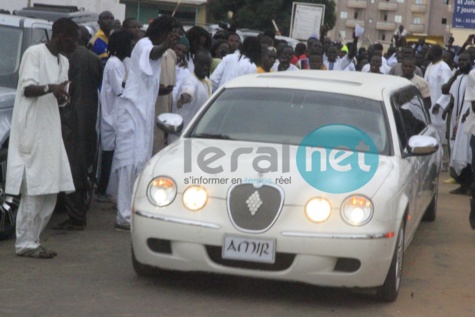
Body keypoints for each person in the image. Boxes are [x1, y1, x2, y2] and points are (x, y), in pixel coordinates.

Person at [6, 18, 78, 258]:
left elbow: (58, 94)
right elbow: (28, 89)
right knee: (34, 188)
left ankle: (33, 240)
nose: (76, 44)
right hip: (32, 129)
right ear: (60, 35)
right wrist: (51, 88)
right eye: (73, 39)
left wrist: (61, 96)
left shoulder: (64, 61)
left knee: (50, 189)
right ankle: (25, 243)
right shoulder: (34, 53)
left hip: (50, 129)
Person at [110, 15, 181, 231]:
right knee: (128, 164)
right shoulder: (145, 44)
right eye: (170, 33)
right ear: (162, 31)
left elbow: (146, 77)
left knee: (140, 163)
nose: (172, 38)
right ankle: (123, 216)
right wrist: (166, 45)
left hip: (142, 115)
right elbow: (153, 53)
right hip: (131, 113)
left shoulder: (155, 49)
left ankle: (132, 211)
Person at [51, 25, 103, 230]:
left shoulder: (66, 59)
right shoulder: (94, 59)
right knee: (81, 168)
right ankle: (76, 212)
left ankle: (76, 217)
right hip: (89, 118)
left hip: (71, 119)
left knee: (72, 168)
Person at [96, 30, 133, 203]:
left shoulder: (116, 62)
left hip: (112, 115)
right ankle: (103, 190)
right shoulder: (115, 64)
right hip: (111, 117)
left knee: (110, 153)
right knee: (109, 155)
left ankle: (105, 189)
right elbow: (121, 90)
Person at [424, 44, 452, 171]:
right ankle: (434, 161)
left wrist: (439, 103)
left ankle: (443, 163)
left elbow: (447, 89)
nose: (428, 53)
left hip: (439, 108)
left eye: (430, 50)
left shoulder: (443, 67)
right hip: (429, 107)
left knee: (441, 136)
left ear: (435, 53)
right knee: (432, 134)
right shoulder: (430, 66)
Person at [174, 49, 212, 135]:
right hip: (183, 133)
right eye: (202, 64)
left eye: (208, 64)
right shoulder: (190, 80)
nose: (205, 67)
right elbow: (188, 93)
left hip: (198, 132)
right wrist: (184, 99)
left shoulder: (207, 82)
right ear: (195, 62)